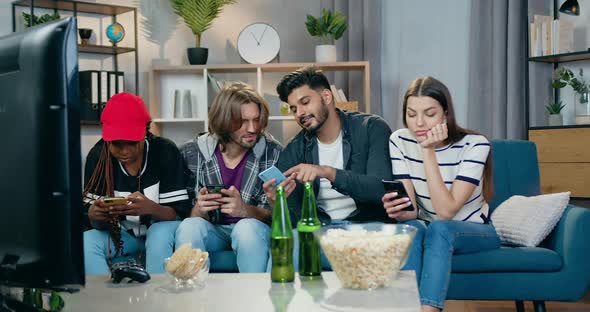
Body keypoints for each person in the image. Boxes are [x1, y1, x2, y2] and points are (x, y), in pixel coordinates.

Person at [264, 66, 402, 270]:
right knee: (287, 244)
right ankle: (277, 302)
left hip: (364, 230)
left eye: (305, 102)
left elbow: (379, 189)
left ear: (326, 96)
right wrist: (276, 201)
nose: (300, 113)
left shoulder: (371, 128)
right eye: (294, 108)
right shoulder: (295, 148)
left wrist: (327, 172)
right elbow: (293, 216)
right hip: (320, 231)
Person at [383, 76, 501, 311]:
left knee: (439, 228)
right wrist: (398, 210)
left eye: (429, 113)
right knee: (411, 228)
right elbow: (413, 211)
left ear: (445, 114)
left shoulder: (475, 145)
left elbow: (446, 212)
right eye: (411, 113)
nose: (419, 123)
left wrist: (427, 151)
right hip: (430, 227)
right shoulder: (399, 140)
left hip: (474, 231)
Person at [175, 82, 286, 272]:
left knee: (246, 229)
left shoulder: (274, 153)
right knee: (190, 226)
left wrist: (245, 210)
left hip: (253, 232)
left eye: (256, 120)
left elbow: (279, 215)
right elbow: (178, 214)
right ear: (224, 120)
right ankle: (189, 299)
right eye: (242, 122)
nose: (252, 129)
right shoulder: (191, 153)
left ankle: (254, 298)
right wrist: (198, 211)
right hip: (213, 231)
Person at [83, 92, 190, 274]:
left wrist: (151, 209)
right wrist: (95, 215)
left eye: (132, 143)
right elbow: (94, 223)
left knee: (158, 233)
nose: (124, 151)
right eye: (116, 144)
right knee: (86, 242)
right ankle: (104, 300)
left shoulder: (165, 151)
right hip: (121, 236)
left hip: (162, 232)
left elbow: (180, 216)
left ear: (145, 132)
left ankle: (158, 300)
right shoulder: (98, 156)